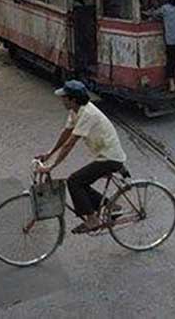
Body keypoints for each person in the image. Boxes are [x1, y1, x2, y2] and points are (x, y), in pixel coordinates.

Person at [36, 80, 128, 234]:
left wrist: (50, 167)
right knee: (81, 182)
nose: (62, 100)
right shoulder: (75, 111)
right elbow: (66, 133)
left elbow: (69, 144)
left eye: (64, 97)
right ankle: (110, 206)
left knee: (74, 181)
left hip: (110, 158)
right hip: (103, 155)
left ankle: (92, 220)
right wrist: (49, 154)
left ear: (72, 99)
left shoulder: (88, 114)